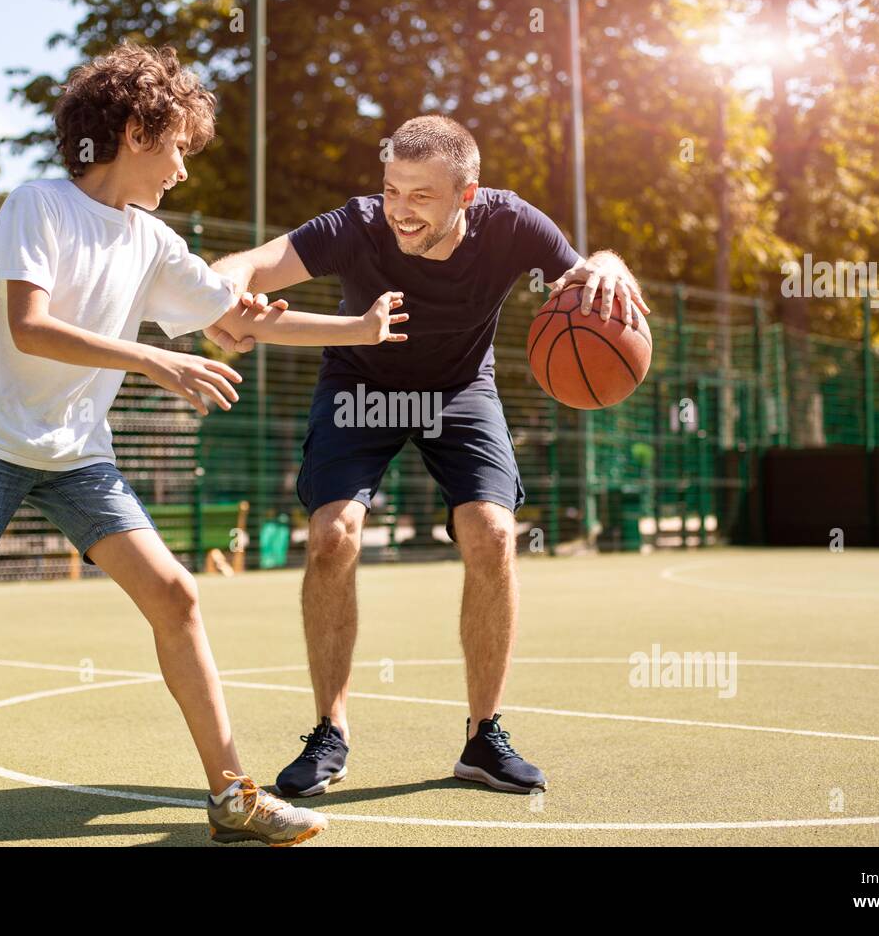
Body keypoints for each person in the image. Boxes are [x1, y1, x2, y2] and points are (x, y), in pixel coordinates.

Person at [0, 42, 408, 848]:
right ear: (136, 130)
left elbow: (237, 319)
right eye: (176, 147)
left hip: (78, 457)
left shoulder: (153, 243)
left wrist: (359, 328)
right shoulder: (36, 205)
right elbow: (27, 327)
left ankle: (232, 796)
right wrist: (152, 356)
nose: (183, 169)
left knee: (177, 595)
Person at [207, 115, 649, 797]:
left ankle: (483, 737)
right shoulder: (355, 227)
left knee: (493, 532)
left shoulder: (511, 225)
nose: (400, 211)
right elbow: (247, 264)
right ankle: (329, 730)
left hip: (459, 389)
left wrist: (613, 270)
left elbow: (589, 268)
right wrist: (222, 292)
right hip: (361, 381)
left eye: (422, 196)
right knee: (331, 536)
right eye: (392, 190)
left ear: (466, 197)